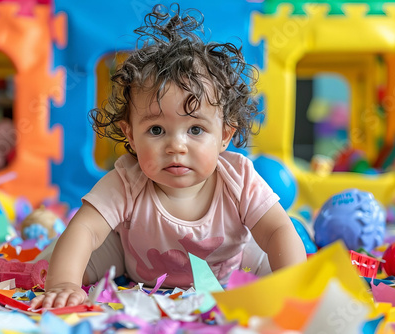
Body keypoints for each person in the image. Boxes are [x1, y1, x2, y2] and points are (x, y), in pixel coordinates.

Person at [30, 3, 306, 310]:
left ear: (225, 135)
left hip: (233, 269)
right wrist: (64, 283)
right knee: (64, 257)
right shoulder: (126, 181)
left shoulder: (239, 179)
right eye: (157, 130)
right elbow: (85, 228)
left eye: (196, 130)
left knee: (278, 256)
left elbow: (277, 229)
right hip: (131, 262)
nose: (177, 146)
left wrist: (292, 284)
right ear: (131, 135)